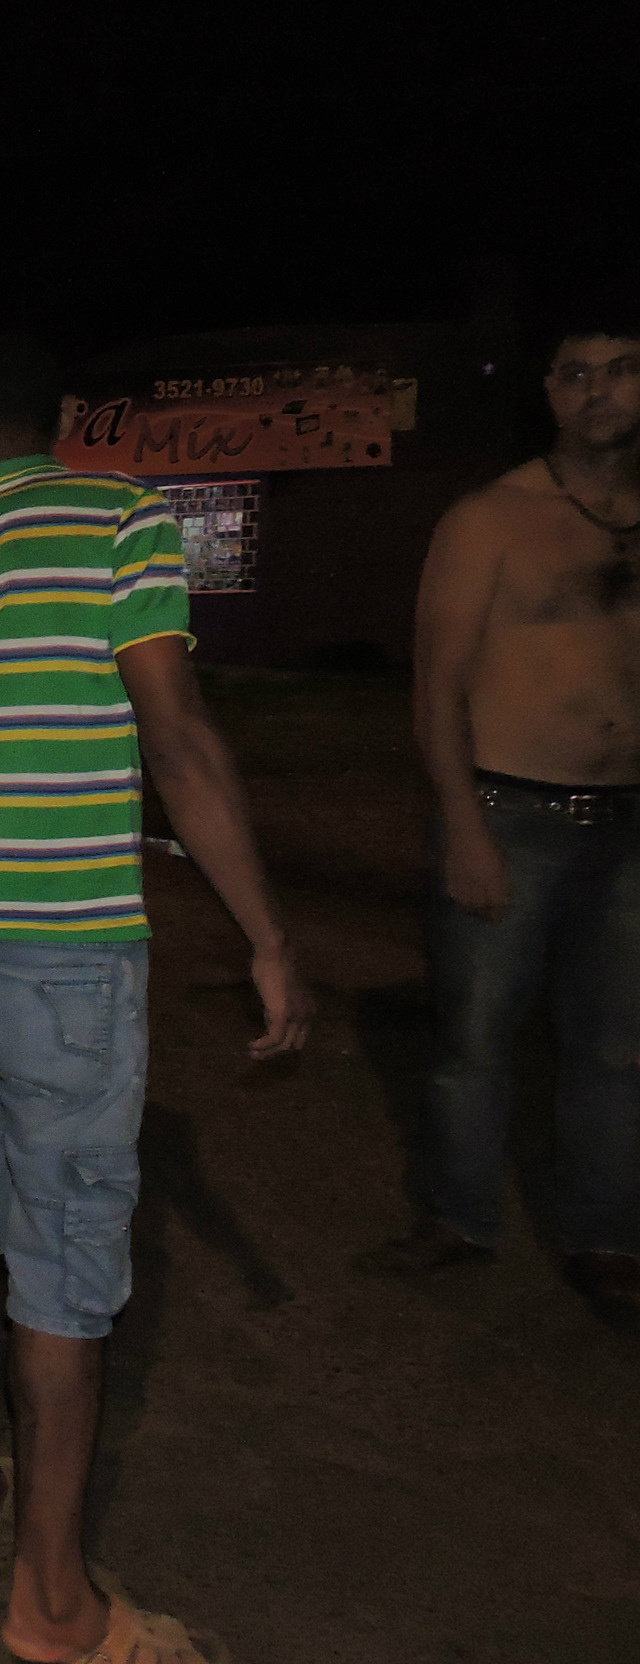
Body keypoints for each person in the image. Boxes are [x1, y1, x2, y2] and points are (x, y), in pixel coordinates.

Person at [0, 331, 310, 1664]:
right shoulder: (117, 520)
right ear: (66, 414)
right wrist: (268, 937)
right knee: (66, 1270)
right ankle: (51, 1608)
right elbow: (178, 733)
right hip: (66, 952)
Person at [377, 302, 640, 1316]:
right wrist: (466, 830)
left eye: (619, 370)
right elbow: (435, 686)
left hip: (629, 825)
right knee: (476, 1037)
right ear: (548, 393)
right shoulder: (489, 520)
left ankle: (607, 1236)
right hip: (511, 812)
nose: (597, 391)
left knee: (617, 1045)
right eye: (575, 374)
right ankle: (456, 1217)